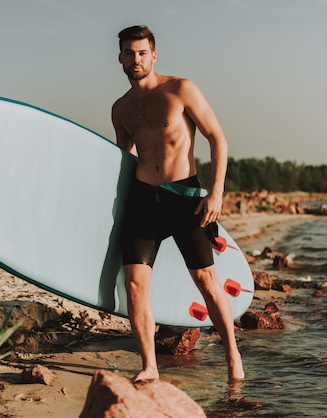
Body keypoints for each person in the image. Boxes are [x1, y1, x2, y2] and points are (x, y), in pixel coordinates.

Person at [111, 25, 245, 383]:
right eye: (129, 53)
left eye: (142, 53)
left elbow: (217, 138)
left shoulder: (181, 89)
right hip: (143, 201)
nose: (136, 59)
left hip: (184, 197)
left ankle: (233, 355)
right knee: (135, 284)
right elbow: (124, 160)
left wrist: (216, 193)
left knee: (206, 280)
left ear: (154, 55)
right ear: (120, 58)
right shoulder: (120, 109)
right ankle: (149, 366)